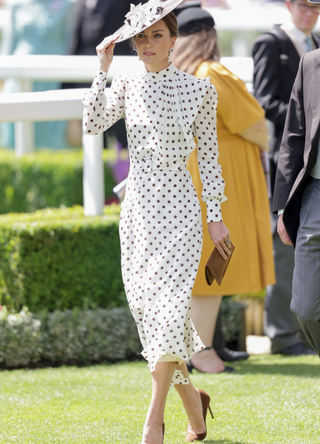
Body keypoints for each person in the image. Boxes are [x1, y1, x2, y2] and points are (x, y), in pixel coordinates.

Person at [82, 1, 231, 442]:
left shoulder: (200, 91)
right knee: (151, 316)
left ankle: (153, 421)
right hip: (139, 212)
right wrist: (102, 69)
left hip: (182, 212)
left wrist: (216, 220)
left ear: (173, 39)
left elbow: (210, 162)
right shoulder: (126, 83)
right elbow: (92, 124)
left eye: (157, 36)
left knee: (168, 313)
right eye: (141, 37)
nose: (147, 44)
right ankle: (195, 409)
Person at [171, 5, 275, 374]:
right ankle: (200, 353)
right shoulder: (212, 72)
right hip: (221, 176)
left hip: (191, 177)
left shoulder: (175, 75)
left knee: (202, 264)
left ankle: (205, 344)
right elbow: (254, 125)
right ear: (209, 37)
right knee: (213, 264)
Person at [252, 0, 320, 356]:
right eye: (304, 5)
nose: (310, 12)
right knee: (284, 250)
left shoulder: (315, 44)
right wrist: (307, 121)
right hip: (289, 161)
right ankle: (281, 332)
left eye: (316, 7)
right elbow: (264, 99)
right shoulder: (271, 42)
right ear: (289, 5)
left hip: (309, 163)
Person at [273, 1, 320, 356]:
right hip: (314, 196)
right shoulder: (311, 62)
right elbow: (293, 138)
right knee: (305, 308)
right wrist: (282, 210)